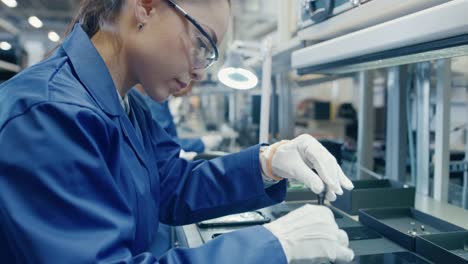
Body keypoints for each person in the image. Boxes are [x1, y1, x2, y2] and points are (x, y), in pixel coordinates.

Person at [0, 0, 355, 263]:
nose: (201, 71)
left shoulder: (129, 104)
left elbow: (171, 185)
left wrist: (268, 162)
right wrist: (271, 245)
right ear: (146, 7)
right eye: (202, 43)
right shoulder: (48, 115)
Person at [135, 83, 223, 154]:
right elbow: (163, 143)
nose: (189, 91)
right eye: (190, 85)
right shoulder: (154, 102)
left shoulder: (161, 101)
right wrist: (201, 143)